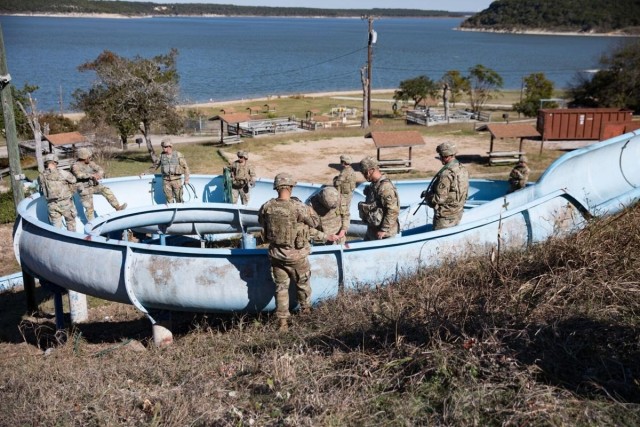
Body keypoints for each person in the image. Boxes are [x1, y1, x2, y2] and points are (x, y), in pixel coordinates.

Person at [258, 172, 320, 331]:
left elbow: (261, 223)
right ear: (290, 187)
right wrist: (310, 211)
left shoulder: (267, 206)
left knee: (280, 288)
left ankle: (283, 323)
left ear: (276, 188)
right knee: (303, 285)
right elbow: (315, 222)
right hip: (296, 256)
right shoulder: (299, 207)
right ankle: (306, 315)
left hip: (276, 256)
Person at [422, 142, 469, 230]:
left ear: (446, 156)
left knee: (438, 242)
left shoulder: (446, 174)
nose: (440, 158)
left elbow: (439, 199)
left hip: (445, 218)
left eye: (440, 156)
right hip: (457, 214)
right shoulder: (462, 169)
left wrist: (427, 196)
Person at [71, 147, 127, 220]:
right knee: (89, 208)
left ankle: (117, 207)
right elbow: (78, 175)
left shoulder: (90, 163)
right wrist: (91, 176)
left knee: (105, 190)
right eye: (89, 157)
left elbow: (100, 169)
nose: (90, 158)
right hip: (84, 189)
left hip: (93, 186)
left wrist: (99, 174)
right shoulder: (75, 166)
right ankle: (92, 226)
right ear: (84, 157)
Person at [357, 156, 400, 241]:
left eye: (364, 173)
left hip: (383, 234)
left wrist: (384, 229)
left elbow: (393, 210)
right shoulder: (374, 185)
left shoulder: (385, 187)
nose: (364, 176)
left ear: (370, 171)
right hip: (372, 230)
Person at [38, 153, 77, 232]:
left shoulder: (41, 176)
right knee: (70, 223)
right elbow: (73, 180)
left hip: (51, 205)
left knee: (56, 229)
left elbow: (41, 185)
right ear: (55, 162)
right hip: (65, 203)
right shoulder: (62, 173)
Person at [150, 137, 190, 203]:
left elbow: (186, 167)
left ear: (170, 146)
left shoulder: (178, 155)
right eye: (162, 147)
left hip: (177, 181)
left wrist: (186, 179)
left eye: (165, 147)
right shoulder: (161, 156)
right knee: (169, 200)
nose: (163, 148)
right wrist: (145, 172)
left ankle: (180, 212)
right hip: (166, 181)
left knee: (179, 199)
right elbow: (155, 166)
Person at [332, 154, 357, 225]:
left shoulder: (344, 172)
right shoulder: (351, 170)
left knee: (342, 210)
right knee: (346, 208)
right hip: (349, 193)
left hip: (344, 194)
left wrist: (335, 180)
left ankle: (342, 224)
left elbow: (338, 183)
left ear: (343, 162)